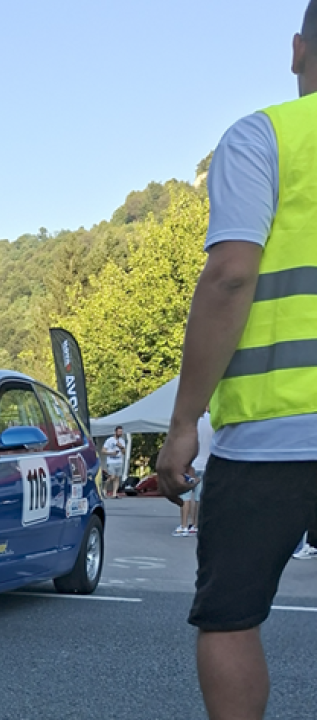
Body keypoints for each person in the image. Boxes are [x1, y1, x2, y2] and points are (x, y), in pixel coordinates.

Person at [155, 5, 317, 717]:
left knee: (230, 615)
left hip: (270, 437)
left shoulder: (266, 138)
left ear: (296, 50)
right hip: (270, 438)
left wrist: (184, 420)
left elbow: (229, 276)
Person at [176, 410, 213, 536]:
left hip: (190, 464)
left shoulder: (190, 421)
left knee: (185, 496)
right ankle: (195, 525)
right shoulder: (212, 420)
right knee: (198, 498)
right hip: (205, 463)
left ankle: (184, 525)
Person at [101, 426, 126, 498]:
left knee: (117, 477)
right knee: (112, 477)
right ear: (115, 432)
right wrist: (111, 453)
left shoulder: (122, 441)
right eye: (119, 432)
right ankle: (104, 489)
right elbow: (103, 451)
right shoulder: (109, 440)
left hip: (119, 460)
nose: (120, 433)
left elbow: (124, 452)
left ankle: (114, 493)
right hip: (111, 461)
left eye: (121, 432)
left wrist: (121, 447)